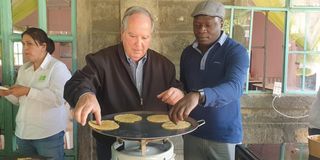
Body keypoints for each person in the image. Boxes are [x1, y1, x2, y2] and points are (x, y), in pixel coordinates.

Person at [63, 6, 184, 160]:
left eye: (145, 37)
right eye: (132, 36)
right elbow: (77, 82)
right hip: (112, 144)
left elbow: (177, 88)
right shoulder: (102, 61)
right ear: (122, 33)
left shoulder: (164, 65)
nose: (138, 44)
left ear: (151, 36)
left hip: (155, 143)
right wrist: (85, 94)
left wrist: (179, 94)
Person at [169, 0, 250, 160]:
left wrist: (199, 95)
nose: (201, 30)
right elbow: (185, 86)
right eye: (197, 25)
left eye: (208, 25)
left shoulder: (236, 51)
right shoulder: (188, 53)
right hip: (192, 132)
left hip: (224, 136)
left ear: (221, 23)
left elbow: (235, 87)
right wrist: (177, 92)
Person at [0, 27, 71, 160]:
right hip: (23, 134)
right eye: (23, 44)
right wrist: (7, 93)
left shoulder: (57, 68)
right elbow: (19, 100)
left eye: (30, 44)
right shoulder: (24, 69)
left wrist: (28, 91)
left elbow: (58, 100)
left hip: (48, 135)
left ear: (43, 46)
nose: (25, 48)